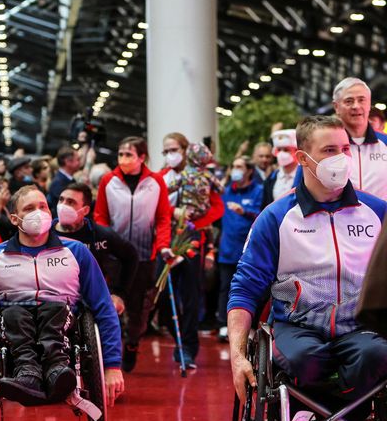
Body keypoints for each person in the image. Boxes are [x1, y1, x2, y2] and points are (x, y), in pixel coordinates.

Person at [228, 116, 387, 421]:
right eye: (329, 150)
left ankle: (340, 417)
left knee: (375, 356)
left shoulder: (377, 212)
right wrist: (237, 356)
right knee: (304, 360)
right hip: (297, 326)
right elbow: (244, 289)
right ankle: (308, 414)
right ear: (303, 158)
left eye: (345, 148)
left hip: (360, 325)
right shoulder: (276, 217)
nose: (341, 158)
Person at [0, 186, 125, 405]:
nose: (38, 212)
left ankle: (57, 370)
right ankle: (27, 375)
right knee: (15, 313)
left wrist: (112, 366)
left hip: (62, 323)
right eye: (29, 208)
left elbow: (104, 307)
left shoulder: (76, 252)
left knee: (53, 308)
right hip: (14, 327)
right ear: (14, 219)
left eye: (43, 206)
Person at [94, 137, 172, 371]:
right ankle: (111, 350)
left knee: (138, 308)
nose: (123, 159)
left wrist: (163, 245)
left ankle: (132, 344)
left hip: (143, 255)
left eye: (129, 154)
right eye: (120, 154)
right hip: (114, 256)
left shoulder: (155, 182)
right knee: (112, 304)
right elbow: (100, 216)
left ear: (142, 157)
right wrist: (105, 241)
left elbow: (163, 217)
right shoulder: (108, 181)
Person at [159, 132, 224, 368]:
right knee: (162, 293)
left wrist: (193, 223)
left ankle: (187, 347)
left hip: (192, 238)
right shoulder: (162, 178)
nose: (170, 155)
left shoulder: (203, 176)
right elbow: (156, 204)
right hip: (166, 239)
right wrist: (173, 213)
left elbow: (217, 207)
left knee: (191, 294)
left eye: (174, 150)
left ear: (186, 151)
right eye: (166, 151)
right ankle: (175, 334)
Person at [53, 183, 139, 333]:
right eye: (61, 200)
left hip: (92, 299)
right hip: (55, 301)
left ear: (85, 210)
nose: (63, 206)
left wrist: (119, 294)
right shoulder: (45, 235)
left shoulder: (101, 235)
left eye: (71, 202)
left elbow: (131, 256)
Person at [216, 156, 263, 341]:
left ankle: (250, 327)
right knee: (225, 288)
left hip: (250, 251)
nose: (235, 170)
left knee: (250, 289)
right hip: (227, 249)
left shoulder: (259, 191)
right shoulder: (226, 192)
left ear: (249, 170)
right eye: (233, 166)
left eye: (239, 167)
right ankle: (223, 325)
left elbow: (262, 216)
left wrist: (244, 212)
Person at [331, 77, 387, 199]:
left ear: (369, 104)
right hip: (339, 212)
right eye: (349, 101)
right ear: (336, 107)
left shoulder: (385, 142)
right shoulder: (325, 145)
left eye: (361, 100)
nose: (356, 106)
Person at [261, 129, 299, 209]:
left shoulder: (305, 177)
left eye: (286, 150)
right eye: (279, 150)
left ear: (297, 151)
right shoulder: (271, 179)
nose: (281, 153)